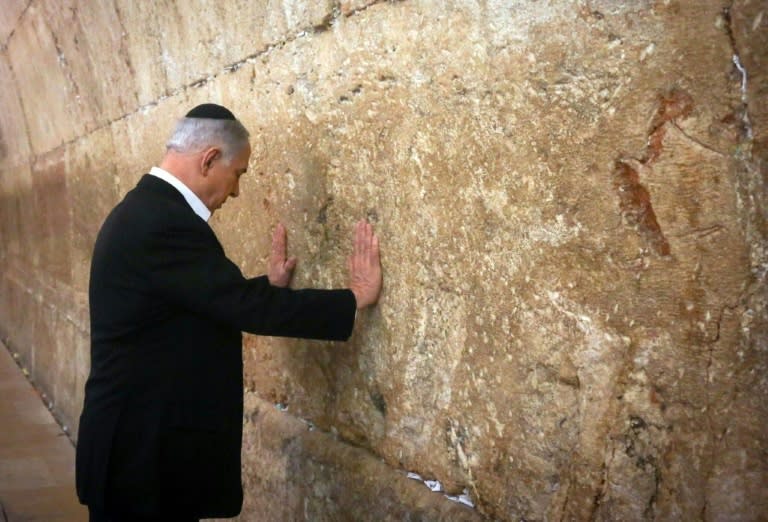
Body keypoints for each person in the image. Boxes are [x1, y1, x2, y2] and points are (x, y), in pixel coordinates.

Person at [75, 103, 382, 521]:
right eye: (238, 174)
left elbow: (197, 300)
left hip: (140, 449)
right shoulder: (163, 222)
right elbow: (242, 308)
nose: (236, 191)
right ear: (209, 159)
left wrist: (266, 287)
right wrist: (353, 297)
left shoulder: (146, 211)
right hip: (141, 456)